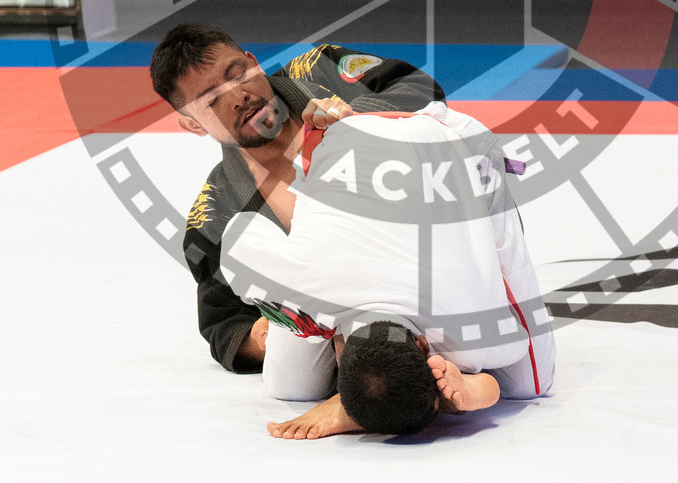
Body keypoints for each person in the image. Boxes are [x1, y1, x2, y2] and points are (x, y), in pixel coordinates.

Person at [220, 103, 555, 438]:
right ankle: (365, 397)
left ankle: (362, 404)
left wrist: (468, 392)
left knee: (291, 386)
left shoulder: (469, 335)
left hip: (425, 142)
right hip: (364, 137)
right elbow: (241, 232)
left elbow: (497, 374)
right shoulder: (464, 330)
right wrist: (286, 307)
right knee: (526, 387)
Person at [149, 23, 446, 374]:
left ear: (253, 61)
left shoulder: (321, 68)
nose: (237, 96)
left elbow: (421, 89)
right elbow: (224, 323)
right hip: (364, 320)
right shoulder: (214, 216)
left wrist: (356, 119)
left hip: (439, 252)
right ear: (193, 125)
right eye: (212, 100)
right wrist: (263, 336)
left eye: (239, 74)